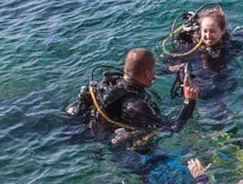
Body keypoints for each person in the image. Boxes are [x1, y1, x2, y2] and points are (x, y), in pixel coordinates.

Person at [66, 47, 199, 145]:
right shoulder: (138, 106)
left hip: (87, 128)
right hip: (125, 149)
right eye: (153, 71)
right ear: (147, 73)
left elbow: (138, 70)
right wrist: (189, 101)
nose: (154, 76)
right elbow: (173, 129)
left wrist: (171, 69)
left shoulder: (111, 83)